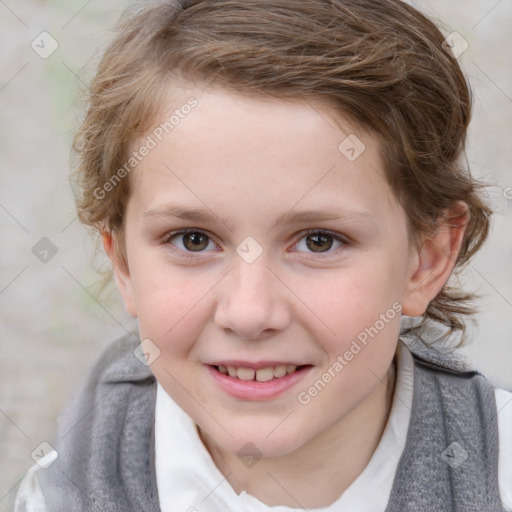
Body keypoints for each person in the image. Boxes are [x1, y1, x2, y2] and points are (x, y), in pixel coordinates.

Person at [13, 0, 512, 510]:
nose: (250, 314)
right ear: (123, 264)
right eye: (193, 240)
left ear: (426, 259)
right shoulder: (58, 494)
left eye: (319, 240)